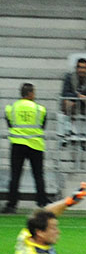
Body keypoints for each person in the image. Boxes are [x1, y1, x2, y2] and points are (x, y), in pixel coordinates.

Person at [4, 83, 50, 214]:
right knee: (38, 175)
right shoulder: (40, 109)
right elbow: (42, 126)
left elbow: (10, 124)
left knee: (15, 175)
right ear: (30, 94)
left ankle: (11, 204)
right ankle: (42, 201)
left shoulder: (11, 108)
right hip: (35, 145)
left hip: (17, 144)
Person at [60, 58, 86, 137]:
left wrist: (83, 98)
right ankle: (69, 129)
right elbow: (65, 93)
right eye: (80, 67)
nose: (82, 70)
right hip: (73, 101)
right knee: (67, 103)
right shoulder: (69, 77)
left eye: (84, 68)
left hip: (85, 102)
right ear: (76, 68)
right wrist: (78, 96)